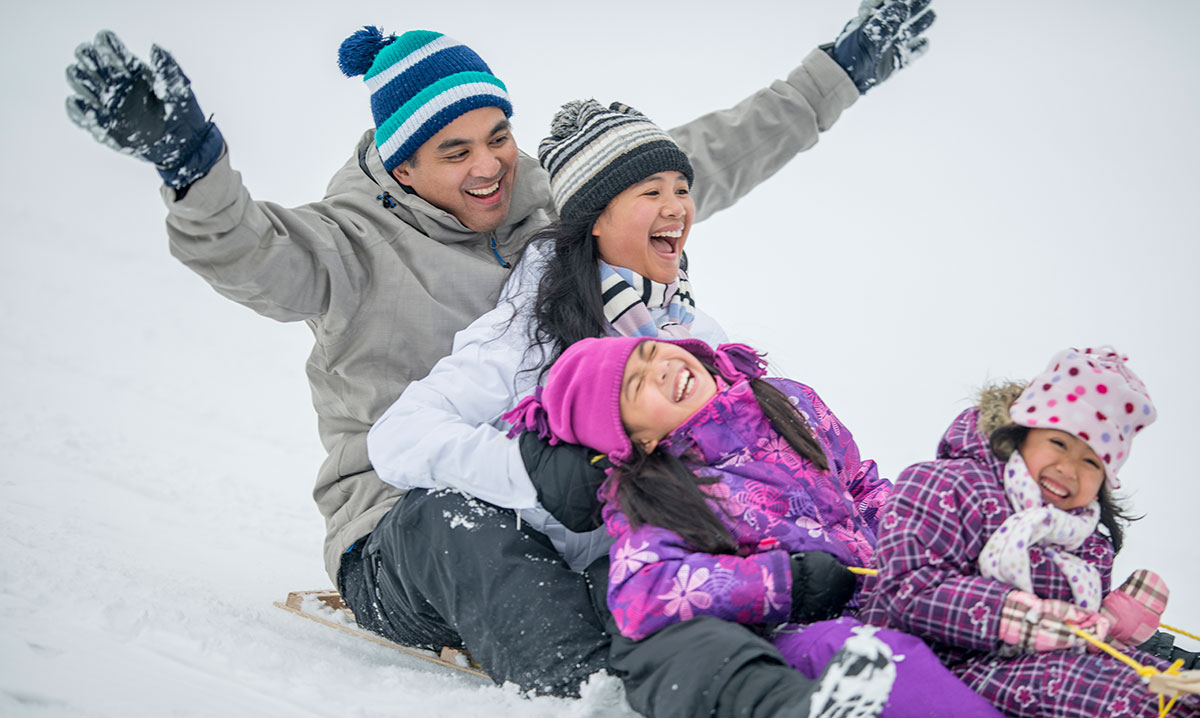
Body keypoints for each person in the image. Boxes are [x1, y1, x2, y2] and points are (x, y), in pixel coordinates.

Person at [64, 1, 936, 706]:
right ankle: (596, 690)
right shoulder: (348, 247)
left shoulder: (549, 204)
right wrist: (190, 164)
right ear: (403, 167)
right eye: (456, 152)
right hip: (400, 519)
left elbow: (701, 157)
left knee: (673, 555)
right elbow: (254, 253)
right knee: (462, 528)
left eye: (499, 137)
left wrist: (841, 71)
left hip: (573, 512)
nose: (489, 167)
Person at [499, 334, 1004, 717]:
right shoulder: (664, 491)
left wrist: (911, 548)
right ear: (638, 439)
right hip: (801, 632)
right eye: (637, 386)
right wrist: (788, 582)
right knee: (882, 657)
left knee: (986, 636)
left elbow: (862, 487)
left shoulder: (787, 401)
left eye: (653, 352)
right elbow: (642, 593)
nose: (662, 369)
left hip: (887, 592)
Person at [860, 347, 1200, 717]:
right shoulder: (943, 486)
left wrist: (1106, 625)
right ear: (1021, 434)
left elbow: (1070, 643)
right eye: (1059, 443)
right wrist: (1022, 619)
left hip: (1034, 669)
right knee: (1133, 702)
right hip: (927, 660)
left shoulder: (1087, 541)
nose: (1069, 470)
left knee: (1172, 689)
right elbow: (910, 590)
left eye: (1090, 462)